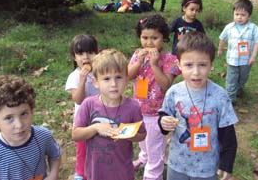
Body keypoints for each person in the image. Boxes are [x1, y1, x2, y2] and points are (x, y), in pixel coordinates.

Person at [159, 31, 238, 180]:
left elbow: (228, 133)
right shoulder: (174, 92)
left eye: (202, 65)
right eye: (188, 65)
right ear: (179, 65)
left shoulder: (220, 96)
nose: (196, 72)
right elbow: (165, 116)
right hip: (177, 164)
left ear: (211, 65)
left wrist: (227, 163)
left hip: (206, 167)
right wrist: (163, 122)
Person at [72, 49, 146, 180]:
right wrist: (95, 128)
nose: (113, 84)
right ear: (96, 82)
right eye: (106, 79)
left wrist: (130, 135)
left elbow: (142, 135)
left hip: (122, 172)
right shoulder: (88, 104)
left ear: (126, 78)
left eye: (118, 77)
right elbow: (76, 135)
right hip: (95, 172)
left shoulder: (133, 106)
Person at [0, 75, 61, 180]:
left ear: (31, 111)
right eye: (9, 118)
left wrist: (53, 174)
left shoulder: (43, 136)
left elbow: (55, 155)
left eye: (24, 114)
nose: (19, 125)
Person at [128, 14, 180, 180]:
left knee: (155, 146)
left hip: (157, 113)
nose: (149, 43)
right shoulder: (137, 54)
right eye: (145, 37)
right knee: (143, 140)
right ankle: (144, 157)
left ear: (164, 37)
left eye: (154, 38)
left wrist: (154, 64)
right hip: (138, 109)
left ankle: (153, 174)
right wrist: (138, 63)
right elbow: (128, 75)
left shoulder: (169, 59)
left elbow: (166, 85)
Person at [65, 34, 99, 180]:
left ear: (97, 53)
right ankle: (80, 173)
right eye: (80, 53)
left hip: (101, 117)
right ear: (74, 56)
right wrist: (82, 80)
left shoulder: (101, 72)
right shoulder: (74, 76)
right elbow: (78, 100)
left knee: (100, 146)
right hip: (83, 121)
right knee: (83, 149)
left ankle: (98, 170)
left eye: (90, 52)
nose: (86, 57)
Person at [218, 0, 258, 104]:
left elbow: (257, 42)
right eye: (237, 14)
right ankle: (230, 98)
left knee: (243, 77)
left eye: (243, 15)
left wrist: (253, 57)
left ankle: (239, 88)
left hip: (246, 60)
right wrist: (220, 49)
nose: (239, 17)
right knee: (231, 79)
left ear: (249, 16)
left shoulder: (253, 28)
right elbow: (222, 38)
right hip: (232, 59)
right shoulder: (229, 27)